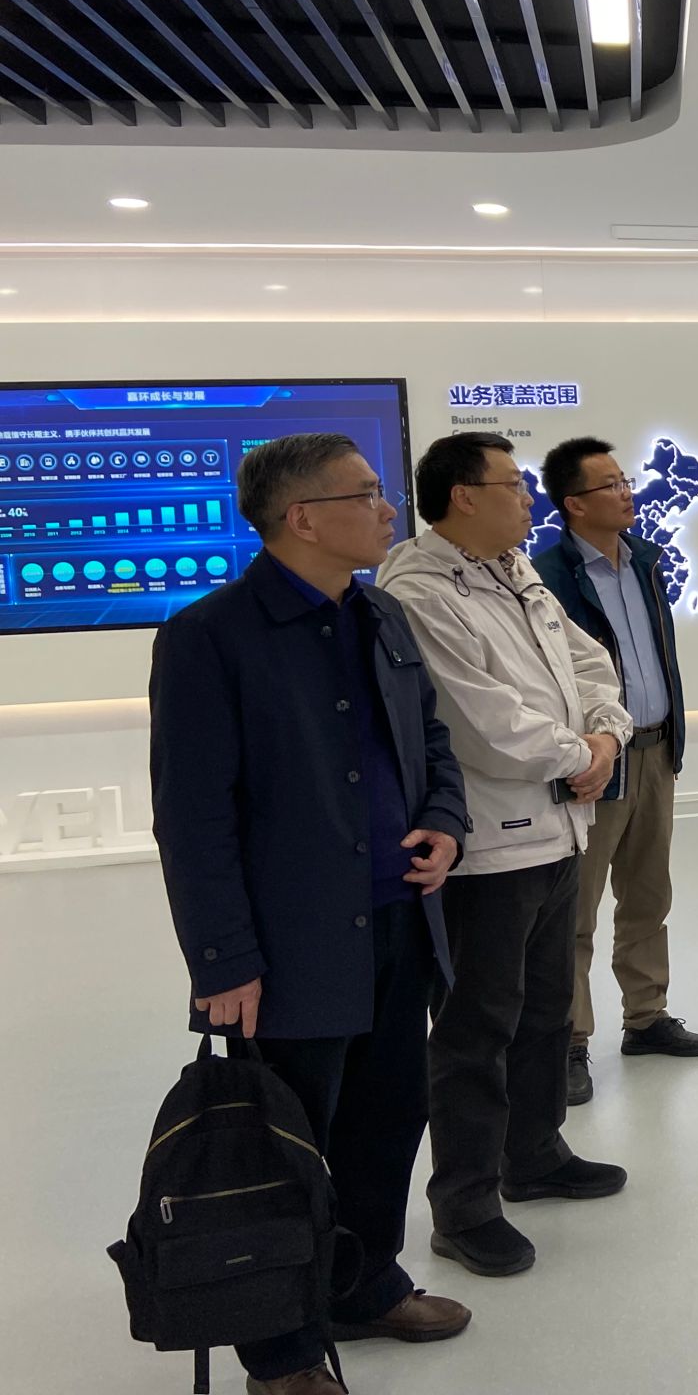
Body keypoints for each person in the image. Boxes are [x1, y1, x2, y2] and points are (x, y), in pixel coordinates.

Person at [150, 433, 473, 1395]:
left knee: (388, 1120)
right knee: (286, 1144)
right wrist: (223, 959)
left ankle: (363, 1285)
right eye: (367, 494)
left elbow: (430, 740)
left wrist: (445, 821)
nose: (389, 509)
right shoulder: (209, 637)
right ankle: (281, 1351)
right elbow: (193, 817)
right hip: (289, 947)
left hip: (400, 922)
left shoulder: (382, 614)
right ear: (302, 518)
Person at [376, 432, 635, 1279]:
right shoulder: (419, 589)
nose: (528, 499)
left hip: (558, 829)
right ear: (463, 496)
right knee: (475, 1029)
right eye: (513, 486)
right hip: (488, 845)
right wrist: (581, 754)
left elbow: (591, 664)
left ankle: (534, 1154)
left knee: (545, 1010)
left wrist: (606, 734)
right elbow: (480, 722)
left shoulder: (514, 570)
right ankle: (465, 1205)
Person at [534, 438, 698, 1109]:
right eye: (609, 485)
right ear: (575, 504)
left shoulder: (645, 560)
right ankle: (568, 1041)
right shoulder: (547, 577)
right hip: (594, 763)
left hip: (655, 751)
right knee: (575, 911)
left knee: (647, 895)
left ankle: (646, 1017)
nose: (626, 492)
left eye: (624, 480)